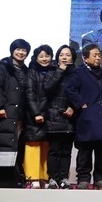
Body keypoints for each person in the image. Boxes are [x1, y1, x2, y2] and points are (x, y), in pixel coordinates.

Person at [25, 44, 77, 189]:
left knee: (66, 152)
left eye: (67, 54)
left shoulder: (77, 73)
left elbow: (79, 93)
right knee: (54, 151)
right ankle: (53, 178)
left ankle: (64, 179)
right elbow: (48, 88)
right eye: (61, 55)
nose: (64, 57)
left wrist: (73, 107)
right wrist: (60, 70)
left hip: (70, 118)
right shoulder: (52, 71)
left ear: (73, 56)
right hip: (53, 116)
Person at [65, 43, 102, 189]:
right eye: (94, 55)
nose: (98, 58)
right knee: (85, 151)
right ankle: (83, 179)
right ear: (85, 58)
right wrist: (81, 103)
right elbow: (69, 89)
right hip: (86, 118)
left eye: (99, 55)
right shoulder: (79, 73)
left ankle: (100, 179)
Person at [0, 38, 31, 184]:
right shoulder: (3, 67)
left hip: (19, 116)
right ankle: (1, 178)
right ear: (12, 51)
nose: (21, 52)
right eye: (18, 49)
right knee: (2, 144)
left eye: (24, 50)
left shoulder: (26, 70)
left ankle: (15, 177)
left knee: (16, 147)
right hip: (4, 113)